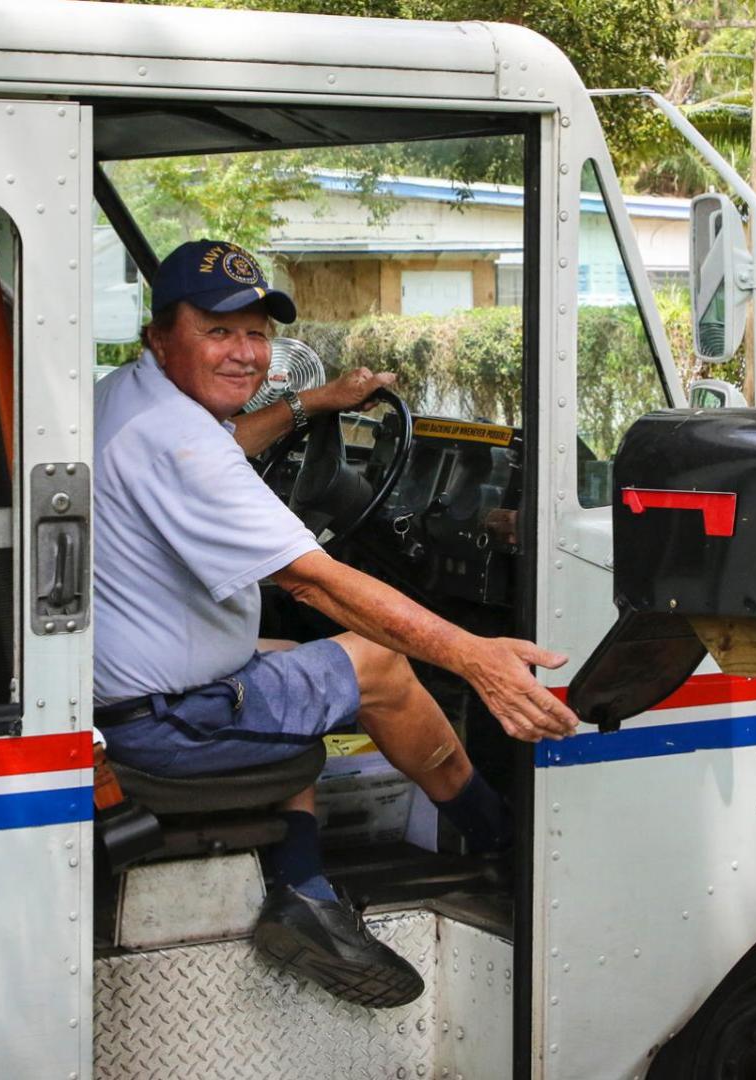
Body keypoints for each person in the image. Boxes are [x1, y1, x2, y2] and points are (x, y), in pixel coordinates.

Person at [92, 239, 579, 1008]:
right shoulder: (179, 442)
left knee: (296, 660)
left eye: (257, 333)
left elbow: (227, 446)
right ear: (160, 335)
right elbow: (311, 579)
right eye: (218, 333)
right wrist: (474, 655)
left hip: (123, 686)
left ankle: (303, 880)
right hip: (159, 726)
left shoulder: (130, 396)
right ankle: (500, 847)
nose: (245, 353)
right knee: (375, 664)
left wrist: (312, 405)